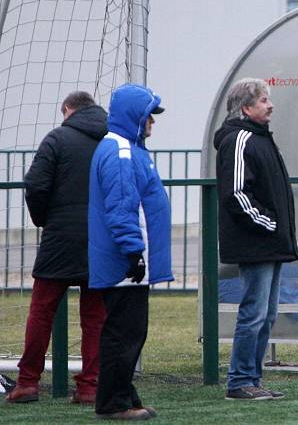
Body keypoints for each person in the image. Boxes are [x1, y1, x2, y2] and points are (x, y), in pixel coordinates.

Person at [6, 92, 108, 405]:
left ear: (66, 110)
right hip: (100, 239)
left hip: (60, 237)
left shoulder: (56, 139)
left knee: (41, 310)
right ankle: (90, 387)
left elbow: (35, 185)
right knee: (95, 317)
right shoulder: (111, 139)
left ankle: (27, 383)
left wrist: (44, 219)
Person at [89, 84, 173, 420]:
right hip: (124, 263)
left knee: (129, 333)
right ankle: (113, 404)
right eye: (148, 114)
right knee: (124, 334)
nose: (152, 121)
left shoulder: (129, 149)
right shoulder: (120, 151)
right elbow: (122, 207)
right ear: (134, 116)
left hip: (128, 262)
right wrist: (134, 253)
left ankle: (126, 396)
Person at [214, 78, 298, 400]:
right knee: (253, 312)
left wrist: (277, 231)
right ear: (246, 107)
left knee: (267, 314)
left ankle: (253, 378)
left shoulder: (261, 138)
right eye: (263, 100)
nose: (270, 105)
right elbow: (236, 194)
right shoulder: (239, 139)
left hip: (271, 243)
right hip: (257, 243)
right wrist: (270, 225)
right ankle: (239, 381)